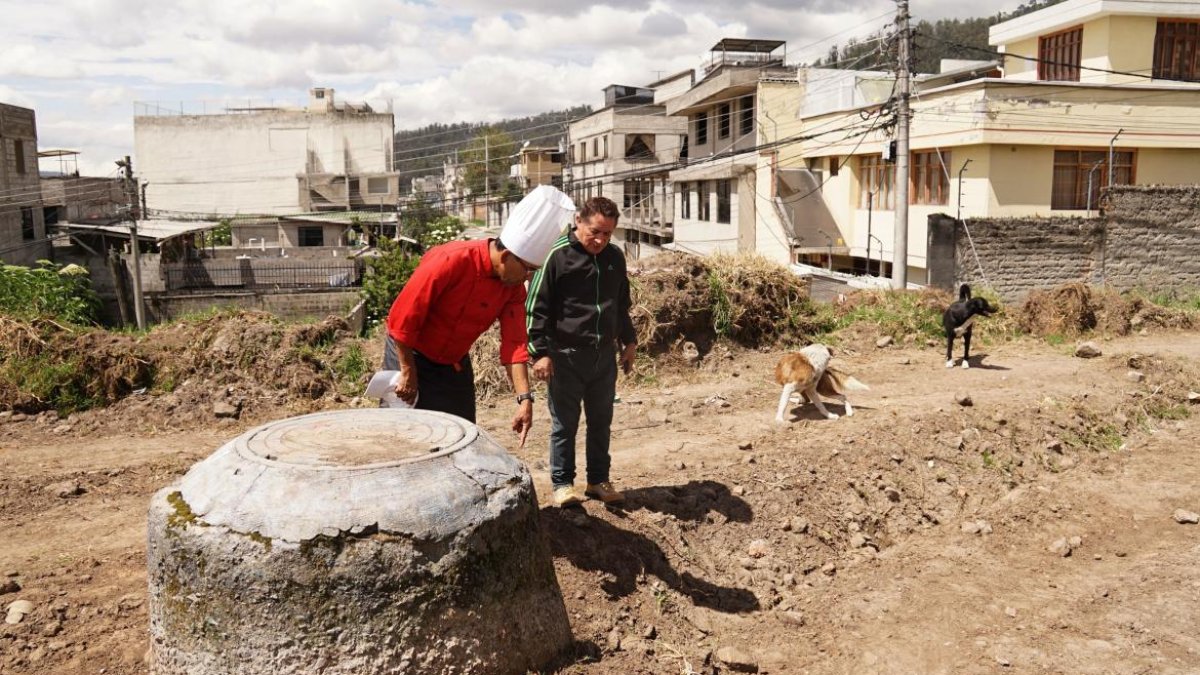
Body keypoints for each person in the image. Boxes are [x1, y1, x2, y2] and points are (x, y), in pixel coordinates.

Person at [383, 185, 575, 446]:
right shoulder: (450, 260)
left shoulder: (513, 289)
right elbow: (404, 318)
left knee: (462, 437)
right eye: (528, 269)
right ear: (506, 256)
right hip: (408, 352)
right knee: (405, 435)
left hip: (453, 361)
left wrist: (525, 399)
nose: (529, 277)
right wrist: (407, 371)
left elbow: (515, 345)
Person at [526, 196, 637, 506]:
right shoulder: (556, 255)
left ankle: (598, 480)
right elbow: (535, 307)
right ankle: (562, 484)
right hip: (565, 356)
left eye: (607, 234)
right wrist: (539, 353)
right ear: (578, 221)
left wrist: (629, 341)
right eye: (594, 232)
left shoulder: (614, 257)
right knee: (565, 424)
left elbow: (621, 305)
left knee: (601, 422)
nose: (600, 240)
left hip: (603, 357)